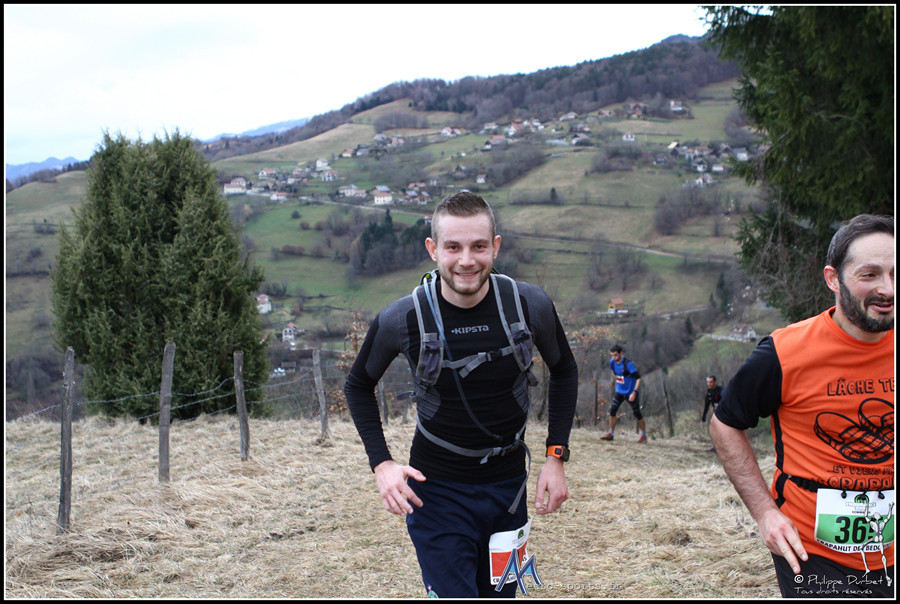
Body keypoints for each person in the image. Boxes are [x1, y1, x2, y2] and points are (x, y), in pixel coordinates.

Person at [344, 191, 579, 598]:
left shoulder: (529, 305)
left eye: (478, 246)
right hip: (436, 494)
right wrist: (381, 464)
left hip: (508, 492)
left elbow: (565, 370)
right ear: (433, 249)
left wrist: (555, 456)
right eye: (453, 247)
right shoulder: (404, 318)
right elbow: (358, 385)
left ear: (496, 247)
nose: (466, 260)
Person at [710, 214, 894, 597]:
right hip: (811, 553)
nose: (887, 289)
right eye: (870, 274)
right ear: (833, 279)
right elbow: (725, 423)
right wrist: (765, 513)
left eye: (895, 274)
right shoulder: (784, 352)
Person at [600, 344, 646, 443]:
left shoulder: (628, 364)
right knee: (612, 411)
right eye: (612, 355)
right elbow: (614, 373)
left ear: (621, 353)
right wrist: (617, 382)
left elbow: (638, 379)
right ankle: (611, 434)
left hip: (631, 392)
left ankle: (643, 436)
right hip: (620, 392)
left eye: (615, 355)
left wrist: (634, 392)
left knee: (637, 413)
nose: (613, 357)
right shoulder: (612, 362)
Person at [702, 375, 722, 452]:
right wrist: (704, 415)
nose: (709, 384)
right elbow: (707, 404)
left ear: (715, 382)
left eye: (710, 382)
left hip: (723, 413)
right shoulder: (709, 392)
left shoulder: (721, 390)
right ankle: (717, 447)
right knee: (713, 429)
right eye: (708, 382)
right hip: (716, 413)